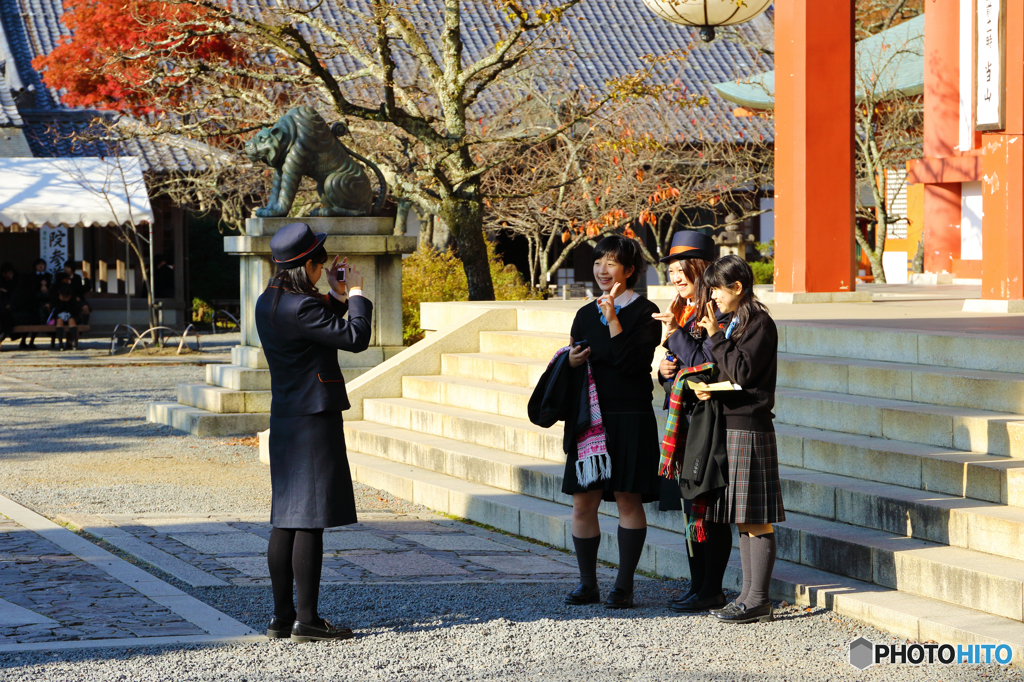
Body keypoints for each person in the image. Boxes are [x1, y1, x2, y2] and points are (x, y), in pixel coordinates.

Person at [254, 222, 373, 643]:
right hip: (313, 418)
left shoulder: (269, 301)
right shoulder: (301, 307)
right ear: (305, 264)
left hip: (287, 416)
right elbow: (356, 338)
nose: (324, 267)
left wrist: (337, 296)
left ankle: (282, 618)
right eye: (320, 261)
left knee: (285, 519)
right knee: (310, 519)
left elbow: (316, 326)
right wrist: (357, 295)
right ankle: (307, 619)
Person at [562, 234, 662, 609]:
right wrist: (570, 362)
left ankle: (624, 585)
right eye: (598, 261)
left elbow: (633, 365)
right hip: (592, 421)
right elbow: (576, 365)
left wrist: (612, 319)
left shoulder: (646, 312)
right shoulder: (583, 314)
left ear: (629, 270)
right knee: (582, 503)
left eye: (611, 262)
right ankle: (588, 583)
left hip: (629, 416)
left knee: (627, 500)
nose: (602, 269)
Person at [693, 255, 784, 624]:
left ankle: (758, 599)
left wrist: (715, 335)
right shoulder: (734, 323)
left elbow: (743, 372)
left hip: (750, 425)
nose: (712, 296)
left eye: (716, 288)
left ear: (737, 287)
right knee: (744, 517)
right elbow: (727, 371)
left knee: (755, 517)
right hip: (730, 424)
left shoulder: (759, 322)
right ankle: (748, 597)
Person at [650, 232, 734, 614]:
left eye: (681, 270)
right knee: (689, 510)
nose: (676, 278)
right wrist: (666, 373)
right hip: (683, 417)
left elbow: (707, 362)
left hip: (709, 421)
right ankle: (696, 585)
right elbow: (679, 369)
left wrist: (675, 337)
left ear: (699, 270)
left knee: (708, 509)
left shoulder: (715, 310)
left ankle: (711, 588)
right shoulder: (679, 308)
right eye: (670, 272)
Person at [50, 285, 82, 351]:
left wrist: (67, 303)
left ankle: (74, 342)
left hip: (71, 316)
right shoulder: (56, 300)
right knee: (59, 320)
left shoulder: (73, 300)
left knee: (71, 320)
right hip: (59, 316)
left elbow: (75, 311)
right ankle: (60, 343)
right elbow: (54, 311)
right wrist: (62, 302)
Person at [0, 263, 17, 345]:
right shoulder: (2, 279)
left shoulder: (17, 278)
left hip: (13, 304)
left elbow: (17, 293)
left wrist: (6, 291)